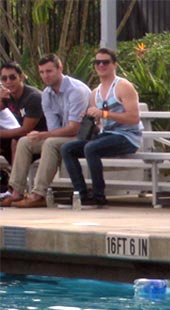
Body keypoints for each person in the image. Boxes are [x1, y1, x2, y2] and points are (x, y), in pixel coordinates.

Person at [0, 54, 89, 209]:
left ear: (60, 69)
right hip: (61, 136)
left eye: (49, 71)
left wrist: (44, 135)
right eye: (42, 72)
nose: (45, 76)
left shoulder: (76, 90)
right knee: (24, 142)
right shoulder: (47, 94)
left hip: (82, 136)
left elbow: (74, 128)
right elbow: (54, 128)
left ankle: (38, 194)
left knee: (49, 142)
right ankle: (16, 192)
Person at [59, 49, 142, 208]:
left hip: (127, 136)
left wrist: (103, 113)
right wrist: (90, 121)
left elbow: (133, 117)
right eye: (98, 62)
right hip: (106, 136)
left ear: (114, 64)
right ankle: (81, 194)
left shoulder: (123, 86)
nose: (101, 65)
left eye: (105, 62)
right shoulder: (95, 93)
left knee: (91, 148)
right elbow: (98, 128)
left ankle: (99, 195)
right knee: (68, 148)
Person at [0, 61, 46, 191]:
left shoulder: (33, 97)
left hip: (40, 137)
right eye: (4, 78)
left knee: (17, 141)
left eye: (12, 77)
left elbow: (25, 129)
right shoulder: (8, 96)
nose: (8, 81)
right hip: (23, 137)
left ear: (21, 77)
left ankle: (14, 189)